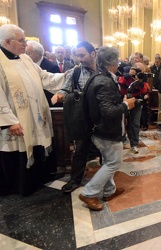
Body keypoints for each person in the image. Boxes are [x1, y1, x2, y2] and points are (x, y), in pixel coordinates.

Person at [0, 24, 65, 196]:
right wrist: (9, 121)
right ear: (7, 41)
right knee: (19, 150)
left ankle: (37, 180)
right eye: (22, 40)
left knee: (37, 146)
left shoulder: (25, 58)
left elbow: (44, 77)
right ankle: (19, 186)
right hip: (15, 120)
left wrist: (66, 76)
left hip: (34, 116)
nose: (25, 44)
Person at [78, 46, 136, 211]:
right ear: (113, 62)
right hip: (107, 132)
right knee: (113, 162)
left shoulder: (99, 75)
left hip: (100, 129)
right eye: (117, 61)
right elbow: (109, 112)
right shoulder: (103, 81)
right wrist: (126, 104)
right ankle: (89, 193)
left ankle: (109, 191)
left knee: (108, 160)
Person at [52, 41, 102, 193]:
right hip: (82, 117)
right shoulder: (76, 71)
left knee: (105, 150)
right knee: (80, 150)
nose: (79, 59)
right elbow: (65, 88)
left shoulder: (104, 71)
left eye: (82, 55)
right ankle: (75, 180)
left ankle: (105, 180)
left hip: (101, 118)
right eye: (77, 56)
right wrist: (60, 94)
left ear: (93, 54)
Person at [25, 40, 61, 107]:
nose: (25, 56)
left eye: (28, 53)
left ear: (37, 53)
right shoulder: (27, 65)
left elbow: (55, 89)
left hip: (48, 104)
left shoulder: (52, 67)